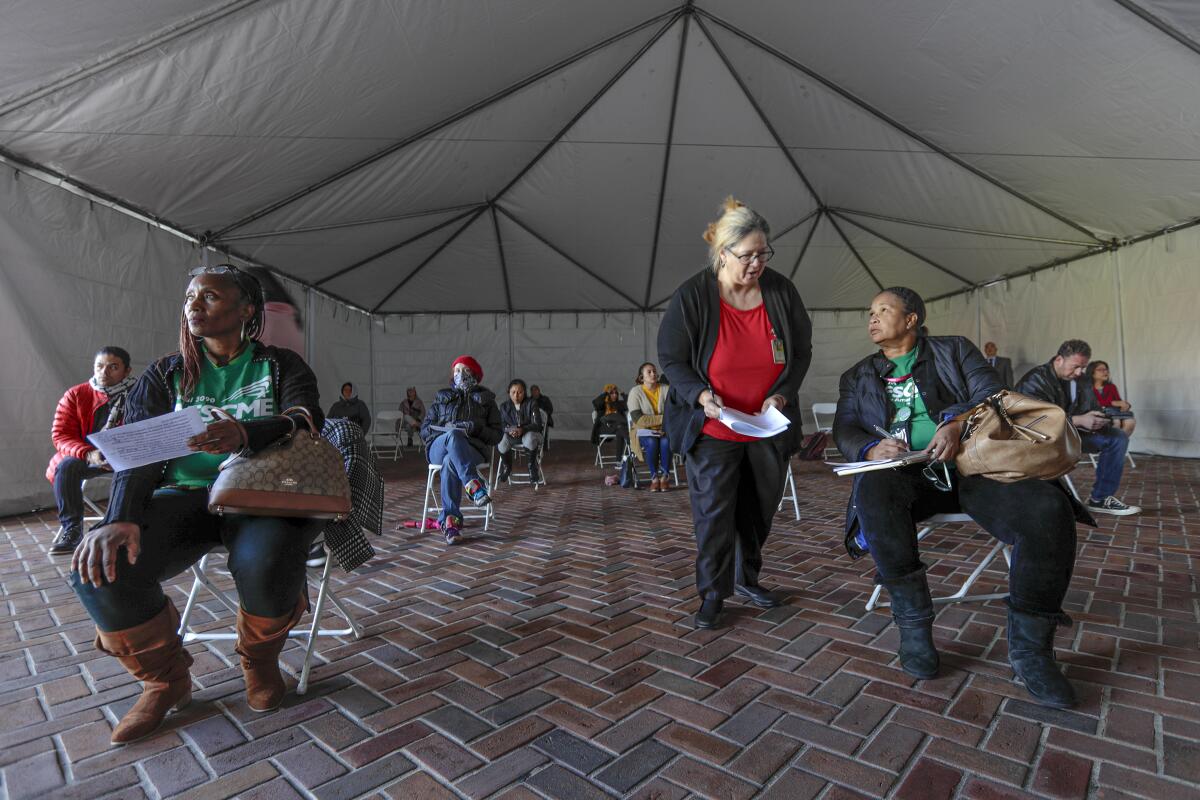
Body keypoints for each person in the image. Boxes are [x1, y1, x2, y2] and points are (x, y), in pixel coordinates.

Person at [69, 264, 325, 745]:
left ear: (246, 309)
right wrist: (119, 518)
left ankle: (261, 662)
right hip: (185, 496)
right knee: (100, 565)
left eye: (209, 295)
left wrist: (246, 433)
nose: (194, 304)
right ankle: (165, 680)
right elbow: (140, 455)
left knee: (267, 559)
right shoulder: (167, 374)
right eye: (190, 296)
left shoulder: (282, 365)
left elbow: (304, 417)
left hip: (262, 496)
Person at [835, 286, 1091, 709]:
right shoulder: (857, 375)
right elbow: (845, 427)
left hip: (974, 466)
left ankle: (1032, 653)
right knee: (873, 488)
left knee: (1047, 508)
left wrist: (954, 422)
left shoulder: (954, 350)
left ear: (912, 318)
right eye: (870, 312)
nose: (872, 319)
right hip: (907, 475)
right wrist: (868, 449)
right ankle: (915, 630)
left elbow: (990, 390)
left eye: (884, 310)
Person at [659, 197, 813, 630]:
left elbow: (800, 352)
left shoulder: (780, 291)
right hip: (714, 425)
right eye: (747, 255)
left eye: (764, 253)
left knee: (758, 510)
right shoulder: (693, 295)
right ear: (723, 253)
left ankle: (747, 578)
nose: (757, 263)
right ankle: (712, 592)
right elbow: (671, 359)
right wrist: (701, 397)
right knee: (714, 513)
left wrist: (781, 394)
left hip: (767, 425)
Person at [1017, 341, 1140, 516]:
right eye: (1075, 367)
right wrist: (1078, 420)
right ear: (1059, 359)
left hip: (1073, 434)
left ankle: (1101, 499)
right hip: (1041, 439)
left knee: (1117, 437)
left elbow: (1093, 406)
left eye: (1082, 367)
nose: (1079, 372)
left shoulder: (1082, 379)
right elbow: (1032, 420)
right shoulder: (1036, 379)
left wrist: (1100, 418)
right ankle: (1040, 499)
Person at [46, 346, 136, 555]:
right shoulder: (76, 394)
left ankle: (124, 526)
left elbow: (147, 429)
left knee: (143, 470)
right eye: (99, 366)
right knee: (67, 467)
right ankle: (72, 530)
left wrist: (121, 451)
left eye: (113, 367)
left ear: (127, 371)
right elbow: (60, 435)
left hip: (127, 454)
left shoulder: (139, 393)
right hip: (88, 455)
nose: (104, 372)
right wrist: (88, 453)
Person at [421, 356, 502, 545]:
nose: (460, 375)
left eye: (465, 370)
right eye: (456, 371)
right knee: (453, 436)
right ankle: (474, 486)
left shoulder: (486, 400)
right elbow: (424, 429)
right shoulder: (442, 396)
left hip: (471, 449)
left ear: (474, 374)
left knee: (452, 460)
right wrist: (443, 430)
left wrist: (475, 428)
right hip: (438, 446)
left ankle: (451, 523)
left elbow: (497, 434)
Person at [628, 362, 674, 491]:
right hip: (644, 431)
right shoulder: (635, 392)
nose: (653, 374)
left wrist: (663, 425)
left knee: (666, 442)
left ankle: (664, 477)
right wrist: (663, 418)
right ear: (641, 377)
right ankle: (654, 478)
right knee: (652, 442)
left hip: (665, 430)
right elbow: (639, 419)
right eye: (649, 372)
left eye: (654, 371)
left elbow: (674, 413)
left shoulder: (666, 388)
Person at [497, 379, 545, 484]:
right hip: (513, 436)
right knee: (501, 441)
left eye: (520, 392)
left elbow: (537, 425)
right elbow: (502, 425)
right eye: (513, 392)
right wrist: (510, 430)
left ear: (525, 392)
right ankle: (507, 468)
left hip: (531, 434)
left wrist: (523, 429)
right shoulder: (504, 407)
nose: (516, 396)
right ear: (509, 393)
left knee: (529, 438)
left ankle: (532, 468)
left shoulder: (532, 403)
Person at [1088, 360, 1136, 436]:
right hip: (1098, 413)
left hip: (1113, 412)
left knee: (1130, 421)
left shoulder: (1111, 387)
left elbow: (1118, 401)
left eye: (1106, 369)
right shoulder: (1087, 388)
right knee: (1116, 422)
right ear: (1092, 373)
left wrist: (1126, 405)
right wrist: (1112, 403)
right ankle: (1113, 445)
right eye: (1101, 370)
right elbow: (1092, 404)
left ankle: (1119, 445)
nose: (1105, 372)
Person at [590, 384, 629, 457]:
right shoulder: (602, 404)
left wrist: (622, 393)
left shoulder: (618, 404)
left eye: (616, 393)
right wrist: (606, 393)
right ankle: (632, 442)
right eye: (612, 393)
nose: (614, 395)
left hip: (617, 427)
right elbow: (595, 403)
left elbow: (629, 404)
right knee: (618, 420)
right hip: (604, 428)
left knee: (620, 428)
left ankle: (618, 461)